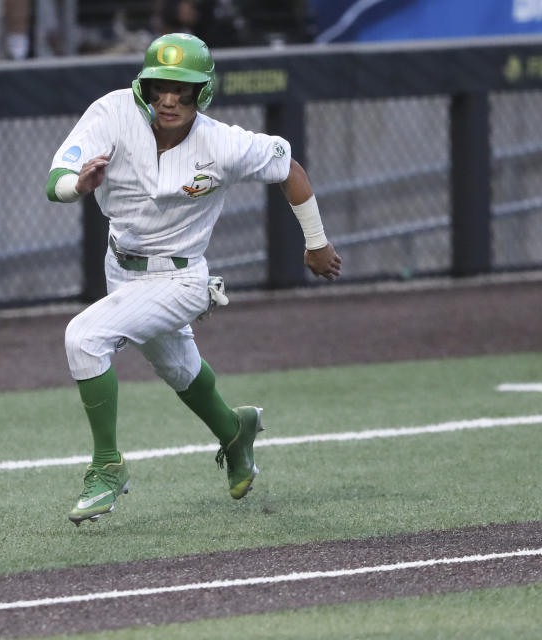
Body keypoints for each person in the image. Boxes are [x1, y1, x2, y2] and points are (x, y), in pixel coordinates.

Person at [45, 32, 342, 526]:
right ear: (143, 86)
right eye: (159, 85)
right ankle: (235, 429)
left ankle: (106, 467)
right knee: (181, 371)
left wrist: (316, 241)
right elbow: (56, 177)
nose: (169, 98)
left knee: (83, 338)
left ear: (202, 91)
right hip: (120, 268)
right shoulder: (112, 113)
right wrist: (78, 185)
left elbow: (288, 166)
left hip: (183, 279)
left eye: (182, 88)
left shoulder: (222, 142)